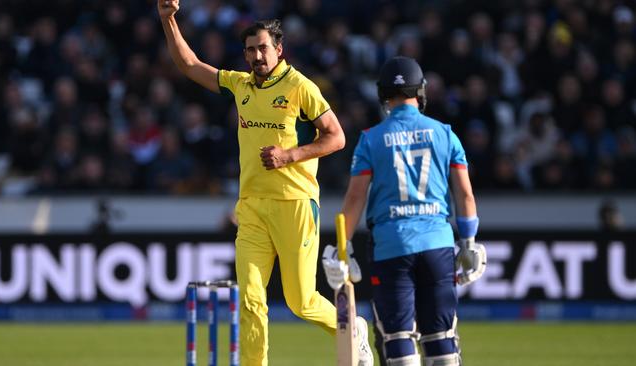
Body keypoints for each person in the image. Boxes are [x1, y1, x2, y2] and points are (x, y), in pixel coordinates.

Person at [156, 2, 373, 365]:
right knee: (250, 299)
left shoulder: (300, 87)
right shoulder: (239, 85)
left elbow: (336, 137)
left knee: (301, 300)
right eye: (251, 50)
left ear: (278, 50)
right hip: (253, 208)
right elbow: (189, 65)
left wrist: (290, 156)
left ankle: (352, 326)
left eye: (263, 48)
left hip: (296, 203)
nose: (257, 56)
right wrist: (168, 20)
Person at [323, 57, 486, 366]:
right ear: (421, 90)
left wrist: (342, 248)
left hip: (391, 246)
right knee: (442, 341)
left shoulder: (371, 139)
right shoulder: (445, 133)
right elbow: (465, 193)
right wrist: (469, 242)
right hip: (437, 245)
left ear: (383, 94)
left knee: (398, 340)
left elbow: (355, 198)